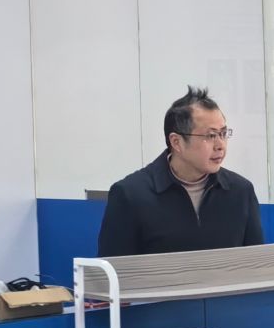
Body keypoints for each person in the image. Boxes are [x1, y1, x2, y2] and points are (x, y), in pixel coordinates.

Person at [96, 88, 264, 256]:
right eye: (211, 136)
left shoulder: (241, 192)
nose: (220, 145)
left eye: (223, 133)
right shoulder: (130, 195)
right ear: (176, 142)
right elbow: (112, 270)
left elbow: (257, 265)